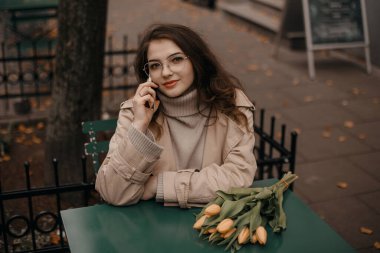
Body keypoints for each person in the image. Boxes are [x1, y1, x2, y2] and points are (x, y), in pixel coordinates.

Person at [95, 23, 257, 208]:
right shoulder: (135, 112)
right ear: (148, 74)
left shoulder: (231, 105)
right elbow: (113, 192)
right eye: (155, 65)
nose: (166, 72)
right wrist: (139, 126)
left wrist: (159, 185)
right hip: (153, 225)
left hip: (215, 224)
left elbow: (239, 177)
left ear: (196, 60)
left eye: (176, 59)